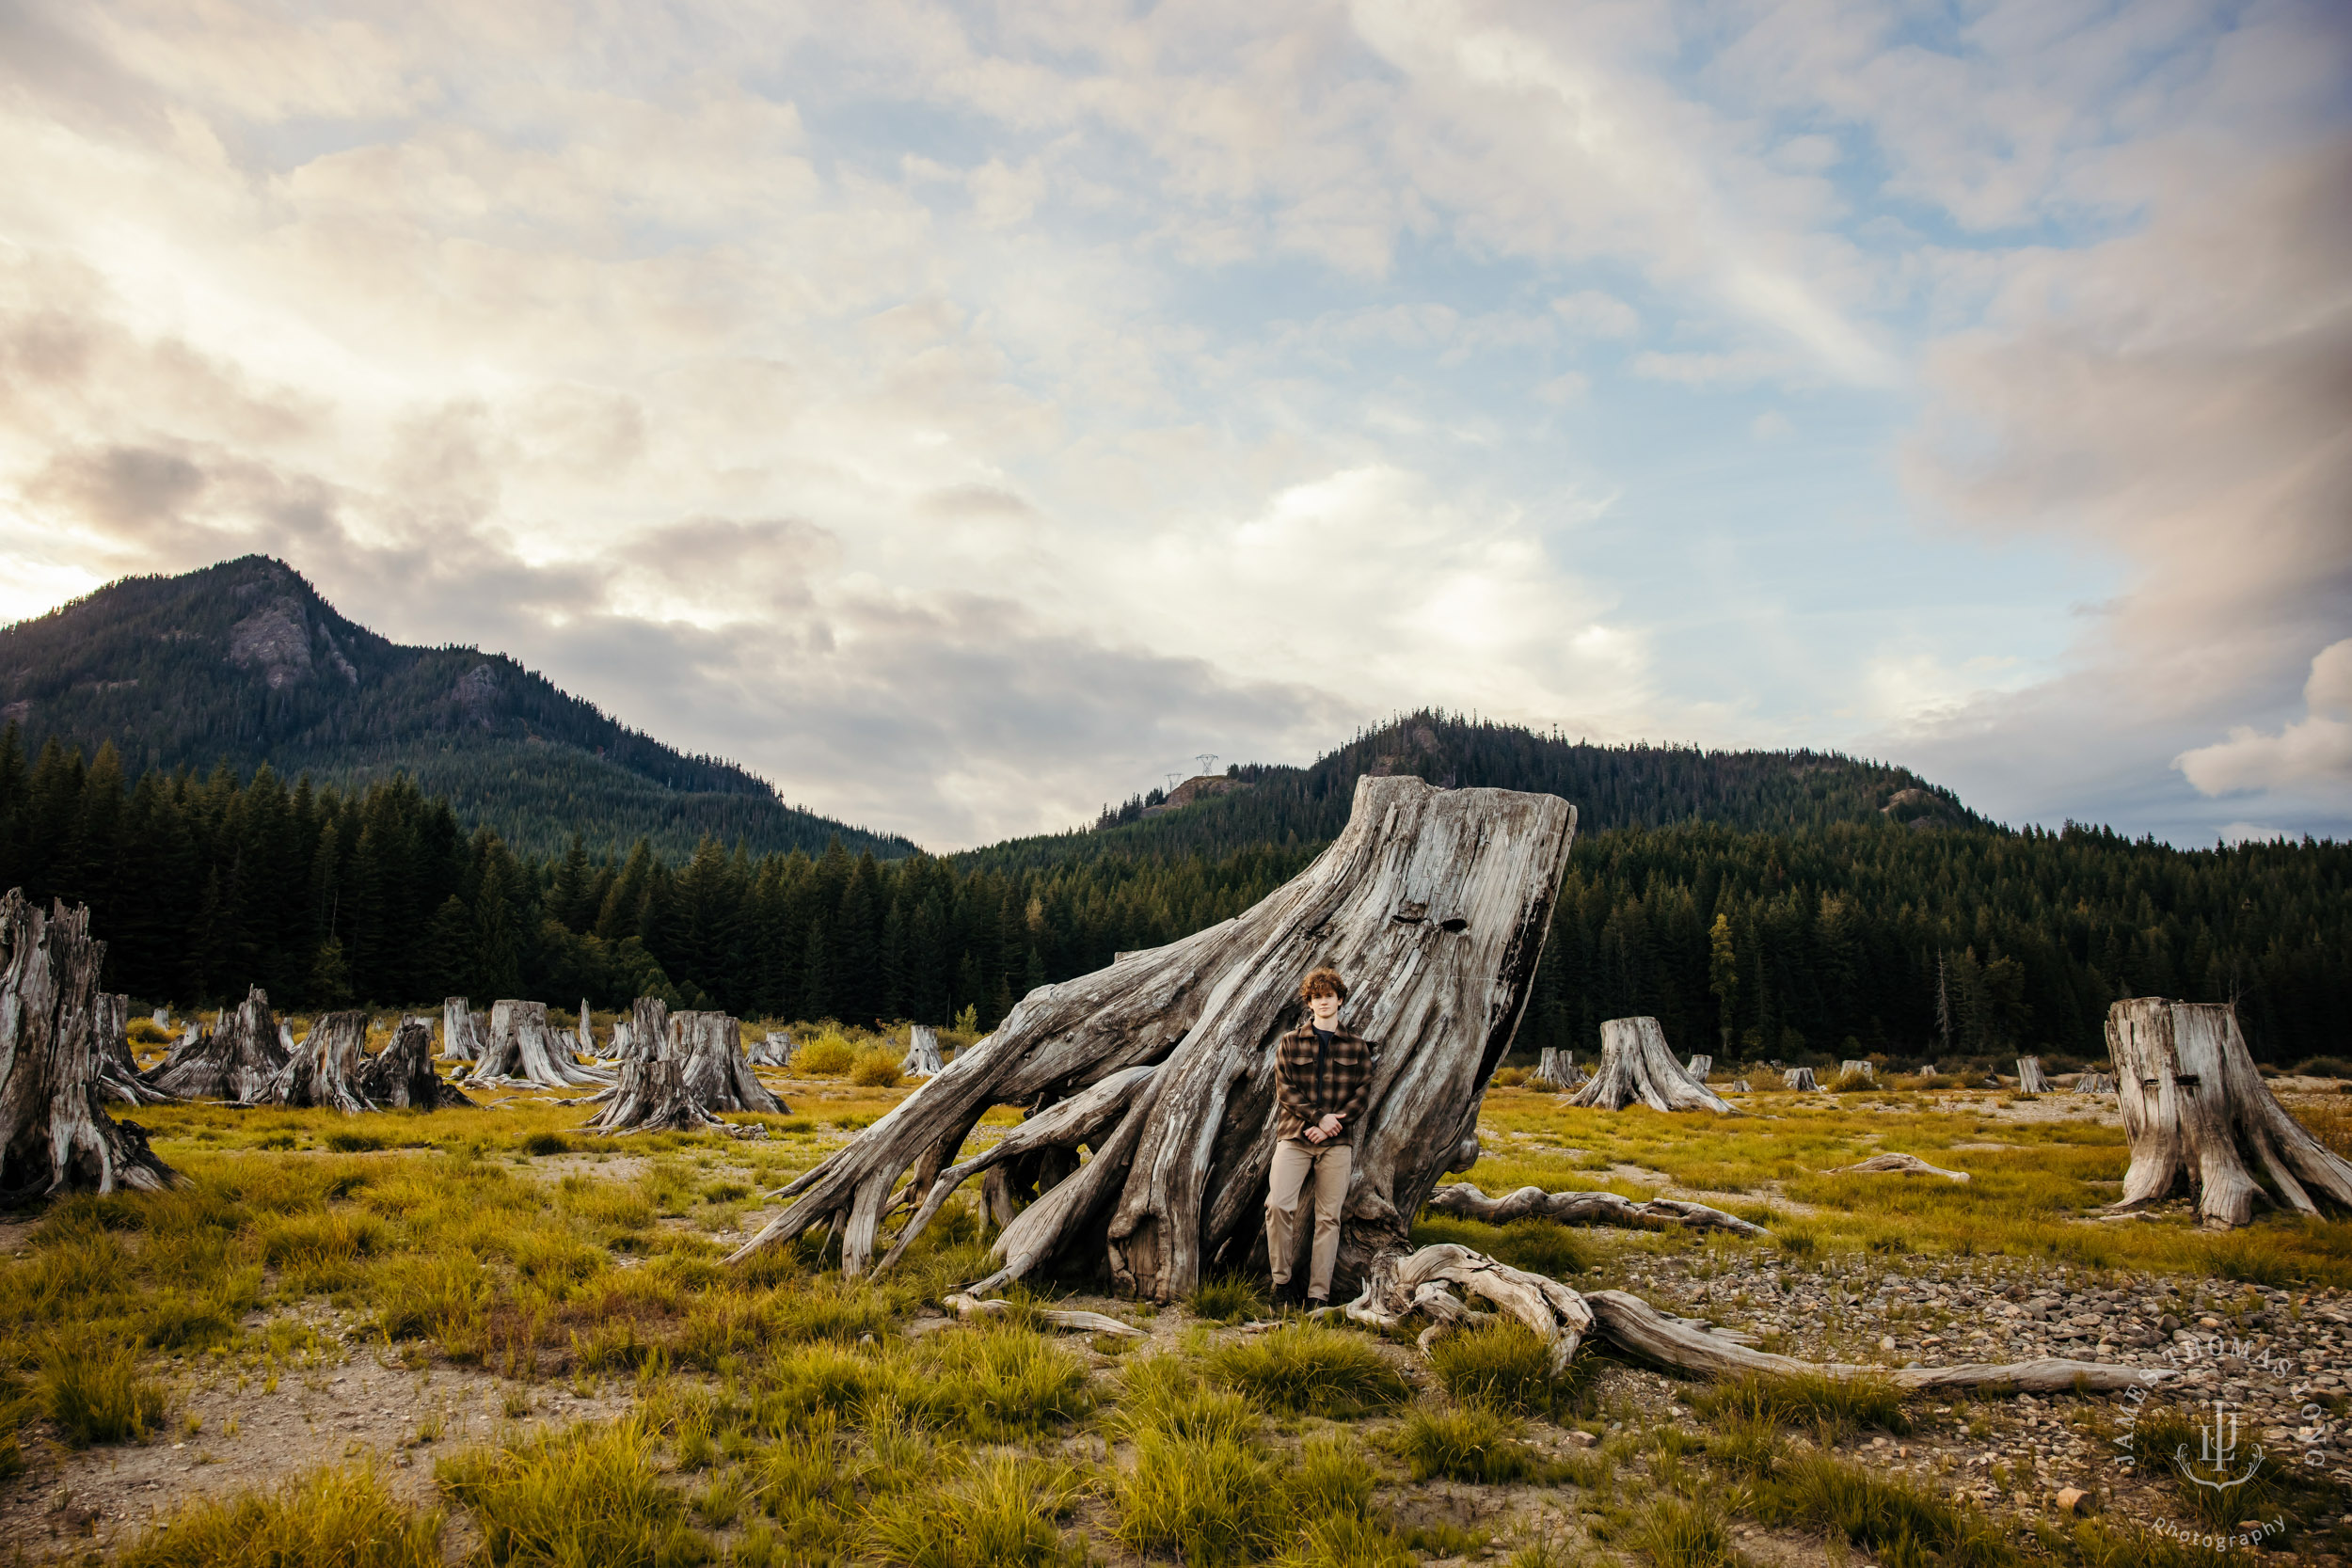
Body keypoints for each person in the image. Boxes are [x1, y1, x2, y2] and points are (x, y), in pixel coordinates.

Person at [1264, 965, 1373, 1308]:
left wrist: (1330, 1125)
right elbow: (1286, 1090)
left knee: (1329, 1218)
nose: (1323, 1002)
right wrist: (1319, 1118)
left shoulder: (1356, 1046)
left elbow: (1362, 1093)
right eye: (1316, 997)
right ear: (1308, 1003)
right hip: (1294, 1137)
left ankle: (1318, 1294)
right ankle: (1281, 1285)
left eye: (1329, 996)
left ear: (1340, 1000)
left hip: (1337, 1143)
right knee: (1278, 1205)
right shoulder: (1290, 1042)